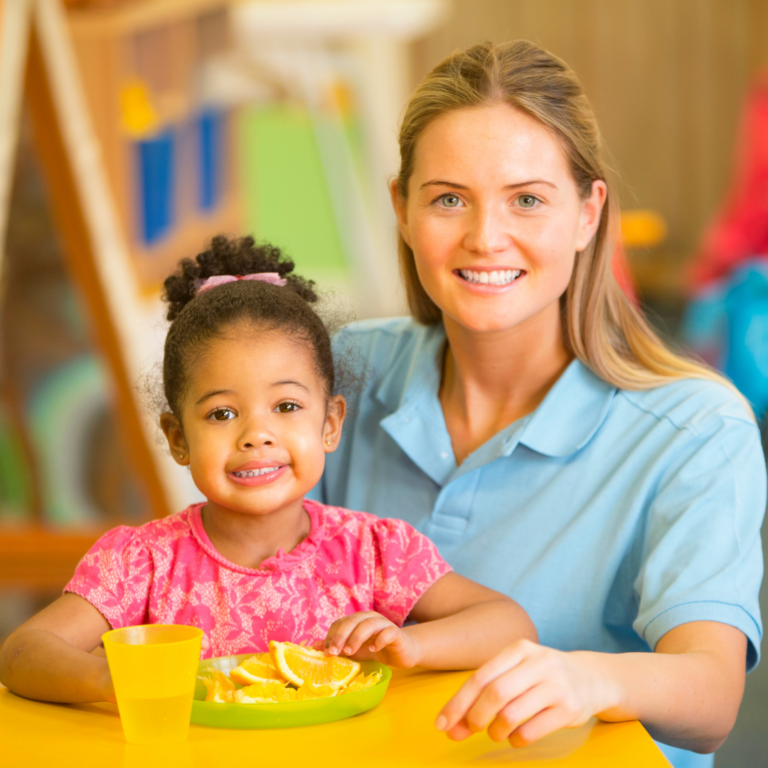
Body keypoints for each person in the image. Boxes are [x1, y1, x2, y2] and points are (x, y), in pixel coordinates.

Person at [310, 41, 765, 768]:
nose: (486, 237)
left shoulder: (697, 430)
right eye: (449, 198)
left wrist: (587, 677)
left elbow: (712, 700)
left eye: (527, 199)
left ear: (588, 214)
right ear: (402, 208)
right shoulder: (340, 374)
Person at [0, 236, 536, 705]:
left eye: (286, 407)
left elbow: (510, 624)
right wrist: (112, 680)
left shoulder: (373, 552)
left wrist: (413, 644)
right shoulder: (142, 562)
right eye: (222, 414)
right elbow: (22, 652)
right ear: (178, 438)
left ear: (330, 424)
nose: (256, 435)